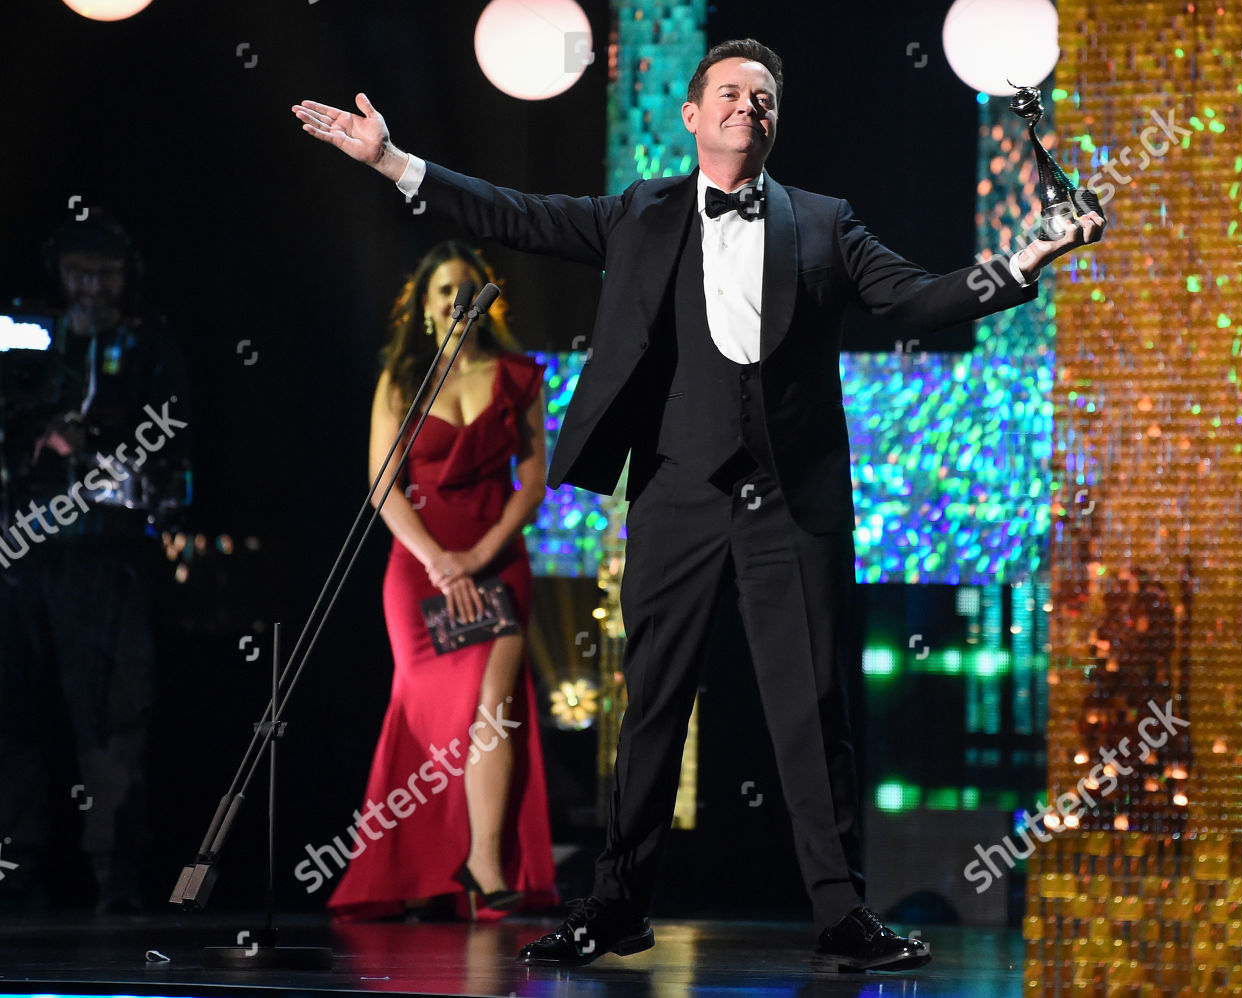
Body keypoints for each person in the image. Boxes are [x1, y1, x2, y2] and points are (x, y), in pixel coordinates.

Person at [294, 37, 1104, 968]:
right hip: (677, 492)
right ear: (690, 115)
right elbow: (516, 215)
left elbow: (918, 301)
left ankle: (843, 916)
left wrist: (1030, 252)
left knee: (812, 706)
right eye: (729, 94)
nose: (746, 109)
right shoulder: (639, 213)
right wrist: (394, 161)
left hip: (788, 502)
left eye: (763, 100)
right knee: (652, 704)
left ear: (775, 122)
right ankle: (617, 905)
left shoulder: (824, 222)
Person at [323, 243, 558, 921]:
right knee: (429, 714)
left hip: (496, 558)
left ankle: (484, 863)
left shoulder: (519, 375)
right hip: (420, 567)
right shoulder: (400, 379)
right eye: (444, 290)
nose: (458, 298)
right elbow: (382, 485)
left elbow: (535, 480)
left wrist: (478, 555)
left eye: (468, 287)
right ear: (425, 308)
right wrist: (437, 560)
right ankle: (421, 869)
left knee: (492, 710)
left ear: (488, 299)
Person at [0, 211, 189, 913]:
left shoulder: (147, 345)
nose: (90, 286)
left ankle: (117, 878)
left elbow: (173, 444)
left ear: (126, 275)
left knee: (113, 716)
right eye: (79, 270)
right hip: (20, 554)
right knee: (13, 717)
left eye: (104, 272)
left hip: (108, 557)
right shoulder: (29, 337)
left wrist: (104, 449)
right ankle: (14, 872)